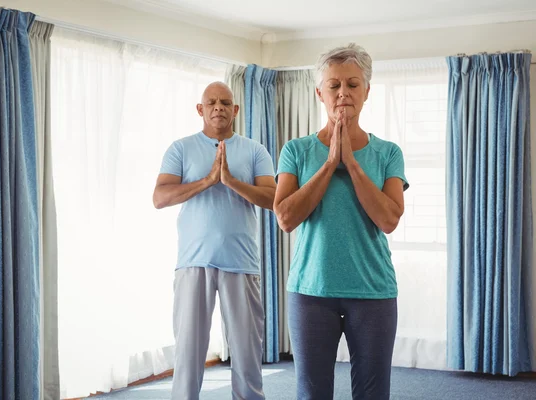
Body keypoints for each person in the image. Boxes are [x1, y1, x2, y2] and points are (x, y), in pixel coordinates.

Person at [273, 43, 409, 399]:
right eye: (334, 85)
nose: (343, 93)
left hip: (373, 292)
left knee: (372, 392)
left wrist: (351, 163)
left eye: (352, 84)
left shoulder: (388, 153)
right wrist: (330, 163)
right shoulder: (297, 151)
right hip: (310, 291)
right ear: (320, 92)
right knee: (312, 392)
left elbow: (390, 218)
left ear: (367, 91)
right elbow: (285, 217)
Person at [152, 81, 276, 400]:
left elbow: (273, 197)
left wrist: (231, 181)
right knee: (189, 354)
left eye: (225, 102)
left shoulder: (254, 150)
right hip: (194, 262)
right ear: (201, 109)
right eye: (211, 102)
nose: (218, 107)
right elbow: (160, 197)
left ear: (235, 110)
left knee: (248, 353)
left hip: (241, 262)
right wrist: (207, 180)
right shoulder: (180, 148)